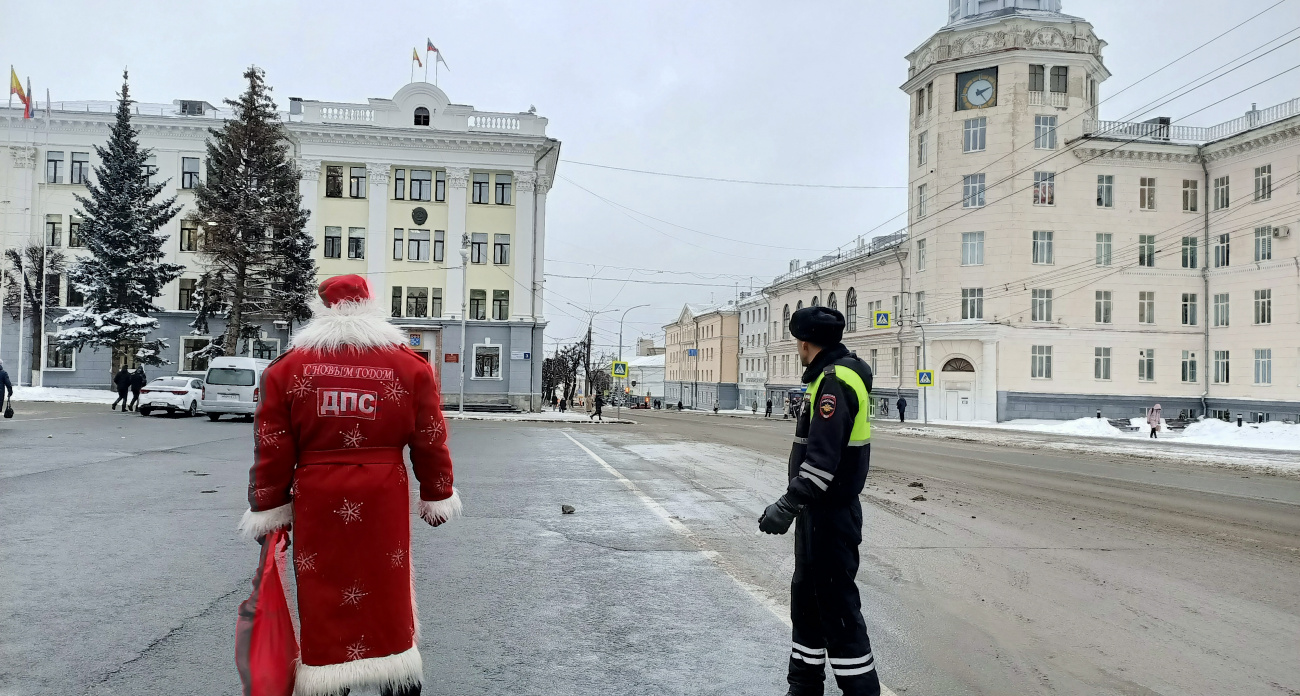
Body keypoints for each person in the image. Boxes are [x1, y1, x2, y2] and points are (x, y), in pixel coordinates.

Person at [236, 275, 458, 696]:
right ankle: (398, 678)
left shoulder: (288, 368)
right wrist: (437, 493)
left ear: (321, 310)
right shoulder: (409, 365)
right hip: (383, 497)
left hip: (317, 497)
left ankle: (327, 680)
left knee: (326, 592)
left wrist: (268, 507)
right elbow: (430, 436)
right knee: (387, 590)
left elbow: (272, 447)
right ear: (372, 307)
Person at [759, 305, 880, 696]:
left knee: (837, 609)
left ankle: (861, 691)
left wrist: (787, 504)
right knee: (808, 602)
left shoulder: (834, 382)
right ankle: (803, 687)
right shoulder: (830, 377)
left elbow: (822, 463)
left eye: (797, 342)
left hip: (832, 514)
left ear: (805, 343)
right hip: (819, 515)